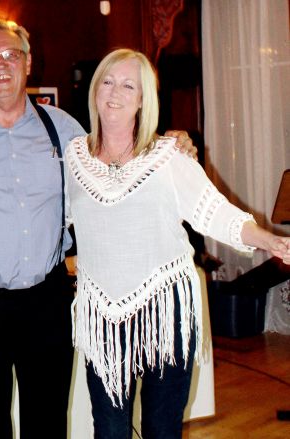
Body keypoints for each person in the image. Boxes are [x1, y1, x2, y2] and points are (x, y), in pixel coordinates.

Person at [0, 19, 197, 439]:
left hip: (46, 302)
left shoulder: (65, 130)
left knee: (47, 424)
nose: (0, 66)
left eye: (10, 55)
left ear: (28, 63)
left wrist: (170, 143)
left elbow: (120, 158)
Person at [64, 48, 290, 439]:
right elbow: (64, 218)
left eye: (128, 85)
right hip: (101, 310)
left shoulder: (167, 155)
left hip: (165, 306)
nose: (115, 92)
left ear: (143, 100)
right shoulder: (74, 155)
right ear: (95, 90)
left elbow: (214, 211)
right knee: (110, 429)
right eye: (108, 81)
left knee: (161, 428)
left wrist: (268, 239)